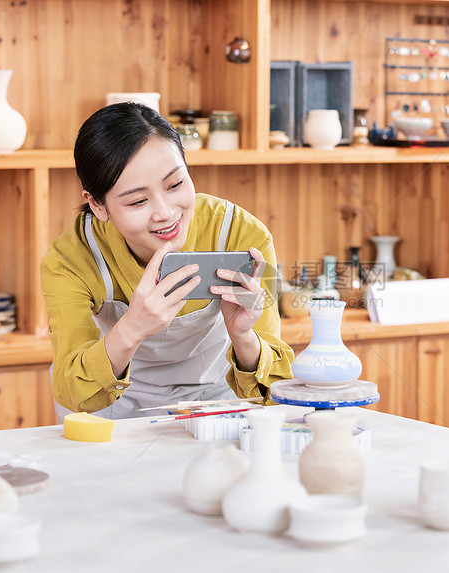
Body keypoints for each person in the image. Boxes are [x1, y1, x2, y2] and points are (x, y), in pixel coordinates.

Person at [41, 102, 294, 418]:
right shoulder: (70, 260)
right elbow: (71, 389)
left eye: (175, 184)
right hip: (114, 402)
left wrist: (243, 335)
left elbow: (277, 389)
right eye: (138, 201)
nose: (166, 213)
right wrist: (132, 328)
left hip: (214, 395)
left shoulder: (240, 234)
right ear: (97, 205)